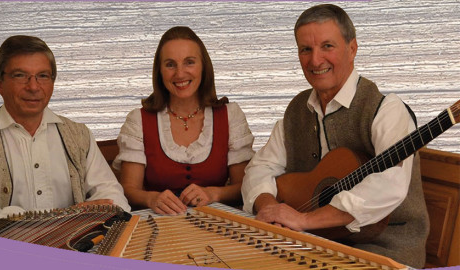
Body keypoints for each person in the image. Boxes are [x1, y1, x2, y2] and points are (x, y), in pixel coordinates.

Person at [240, 4, 428, 267]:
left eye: (327, 46)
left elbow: (389, 184)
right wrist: (269, 207)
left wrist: (304, 220)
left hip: (385, 251)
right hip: (311, 243)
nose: (315, 60)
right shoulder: (297, 111)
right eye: (306, 49)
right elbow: (260, 167)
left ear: (352, 49)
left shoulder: (386, 110)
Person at [0, 35, 130, 231]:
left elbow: (113, 198)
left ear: (53, 82)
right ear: (0, 83)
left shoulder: (79, 135)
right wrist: (67, 219)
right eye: (20, 75)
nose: (33, 87)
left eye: (43, 76)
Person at [113, 26, 255, 215]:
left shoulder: (230, 116)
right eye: (170, 64)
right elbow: (129, 189)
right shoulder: (139, 120)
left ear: (203, 67)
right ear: (159, 71)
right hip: (157, 226)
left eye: (189, 62)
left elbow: (243, 187)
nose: (180, 74)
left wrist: (214, 194)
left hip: (216, 225)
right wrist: (151, 198)